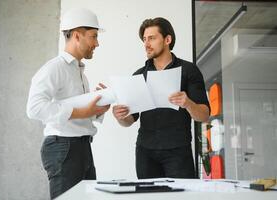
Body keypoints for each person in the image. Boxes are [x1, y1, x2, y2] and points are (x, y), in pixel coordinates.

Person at [26, 8, 110, 199]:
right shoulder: (54, 68)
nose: (97, 43)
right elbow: (34, 108)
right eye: (93, 36)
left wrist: (98, 107)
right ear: (77, 36)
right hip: (64, 148)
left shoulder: (80, 73)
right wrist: (82, 112)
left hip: (81, 147)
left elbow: (79, 113)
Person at [112, 17, 210, 179]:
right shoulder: (139, 75)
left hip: (178, 151)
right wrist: (120, 116)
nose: (146, 44)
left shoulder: (188, 70)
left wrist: (188, 103)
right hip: (145, 152)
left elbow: (204, 115)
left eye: (152, 38)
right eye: (144, 39)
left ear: (167, 39)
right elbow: (130, 120)